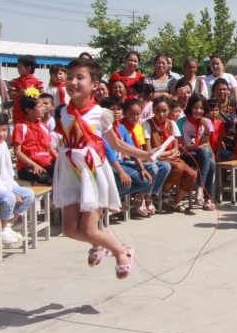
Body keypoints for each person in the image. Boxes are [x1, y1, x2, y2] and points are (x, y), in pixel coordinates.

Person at [52, 58, 153, 279]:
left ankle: (121, 251)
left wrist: (145, 155)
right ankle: (100, 242)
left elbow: (117, 144)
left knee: (88, 229)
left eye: (80, 77)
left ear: (95, 84)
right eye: (70, 77)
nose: (73, 82)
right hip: (69, 173)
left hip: (91, 172)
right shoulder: (63, 113)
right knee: (70, 230)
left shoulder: (101, 114)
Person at [0, 112, 35, 246]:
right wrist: (9, 193)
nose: (1, 134)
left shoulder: (3, 146)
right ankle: (2, 230)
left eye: (4, 130)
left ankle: (6, 226)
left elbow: (6, 174)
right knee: (8, 197)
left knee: (28, 194)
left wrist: (10, 189)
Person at [99, 97, 155, 214]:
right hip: (108, 164)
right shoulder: (102, 129)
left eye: (119, 109)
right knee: (126, 183)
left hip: (121, 163)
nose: (116, 112)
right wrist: (121, 172)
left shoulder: (121, 128)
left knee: (146, 180)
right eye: (112, 109)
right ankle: (111, 200)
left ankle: (115, 197)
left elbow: (132, 150)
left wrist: (142, 168)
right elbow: (109, 153)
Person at [143, 96, 197, 215]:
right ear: (153, 111)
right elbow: (148, 150)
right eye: (157, 111)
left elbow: (176, 149)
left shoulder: (172, 123)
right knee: (177, 167)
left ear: (168, 111)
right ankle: (165, 193)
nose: (161, 114)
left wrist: (167, 153)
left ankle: (176, 201)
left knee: (192, 174)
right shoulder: (148, 124)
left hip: (170, 158)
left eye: (164, 111)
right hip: (156, 159)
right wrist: (167, 153)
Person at [122, 98, 168, 216]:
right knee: (153, 168)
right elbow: (124, 152)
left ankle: (147, 195)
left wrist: (145, 158)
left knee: (165, 166)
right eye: (131, 114)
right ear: (124, 113)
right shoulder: (121, 128)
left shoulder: (138, 127)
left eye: (138, 114)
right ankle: (141, 198)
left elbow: (141, 148)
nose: (135, 117)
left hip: (139, 157)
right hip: (128, 160)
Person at [12, 91, 57, 185]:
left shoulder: (43, 126)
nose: (44, 108)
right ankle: (38, 195)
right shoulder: (20, 127)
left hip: (46, 164)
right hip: (28, 166)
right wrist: (34, 164)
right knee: (43, 178)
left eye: (44, 105)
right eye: (40, 106)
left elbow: (50, 147)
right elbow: (17, 152)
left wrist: (60, 160)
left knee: (61, 172)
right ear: (29, 110)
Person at [181, 94, 217, 210]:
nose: (198, 111)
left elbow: (205, 144)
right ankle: (206, 196)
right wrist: (197, 148)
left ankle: (202, 192)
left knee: (211, 162)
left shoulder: (207, 122)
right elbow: (180, 147)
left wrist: (206, 130)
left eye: (201, 108)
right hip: (187, 154)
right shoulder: (182, 122)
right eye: (195, 108)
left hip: (202, 154)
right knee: (209, 160)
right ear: (191, 107)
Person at [211, 77, 237, 160]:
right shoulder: (211, 106)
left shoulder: (234, 104)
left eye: (224, 89)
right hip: (219, 145)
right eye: (219, 89)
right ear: (214, 92)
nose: (222, 92)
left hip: (236, 142)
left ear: (228, 91)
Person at [9, 55, 43, 123]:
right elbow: (11, 96)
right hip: (18, 109)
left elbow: (42, 95)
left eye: (20, 66)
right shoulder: (15, 82)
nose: (18, 68)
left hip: (33, 109)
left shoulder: (37, 81)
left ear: (28, 68)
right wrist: (19, 93)